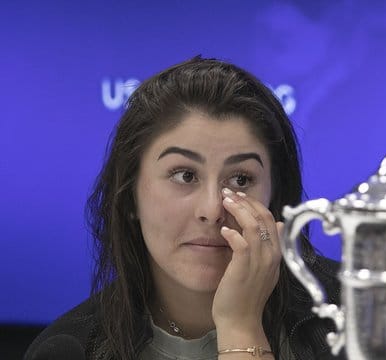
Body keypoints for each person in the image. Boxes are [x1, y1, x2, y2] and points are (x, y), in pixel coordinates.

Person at [25, 56, 343, 360]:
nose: (212, 209)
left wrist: (241, 327)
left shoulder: (356, 314)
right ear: (130, 196)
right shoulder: (69, 349)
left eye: (242, 179)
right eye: (185, 175)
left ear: (274, 199)